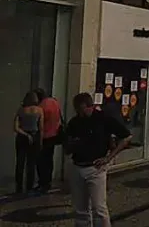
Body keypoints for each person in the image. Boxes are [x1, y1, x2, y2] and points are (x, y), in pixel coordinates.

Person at [65, 92, 132, 227]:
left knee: (99, 207)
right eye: (78, 109)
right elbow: (67, 144)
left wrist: (109, 157)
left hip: (95, 167)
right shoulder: (75, 122)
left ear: (91, 106)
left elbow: (126, 136)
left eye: (83, 109)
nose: (80, 113)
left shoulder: (103, 119)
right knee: (81, 209)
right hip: (78, 165)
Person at [14, 91, 43, 194]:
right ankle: (29, 187)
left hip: (22, 137)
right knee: (31, 163)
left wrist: (26, 135)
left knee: (20, 163)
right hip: (34, 137)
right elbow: (41, 128)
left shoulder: (21, 110)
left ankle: (19, 187)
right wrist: (40, 141)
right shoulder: (39, 110)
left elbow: (16, 128)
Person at [34, 88, 61, 193]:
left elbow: (39, 122)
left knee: (41, 161)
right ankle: (48, 182)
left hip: (43, 135)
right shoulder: (54, 102)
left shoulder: (41, 106)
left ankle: (42, 182)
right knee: (49, 160)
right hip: (54, 134)